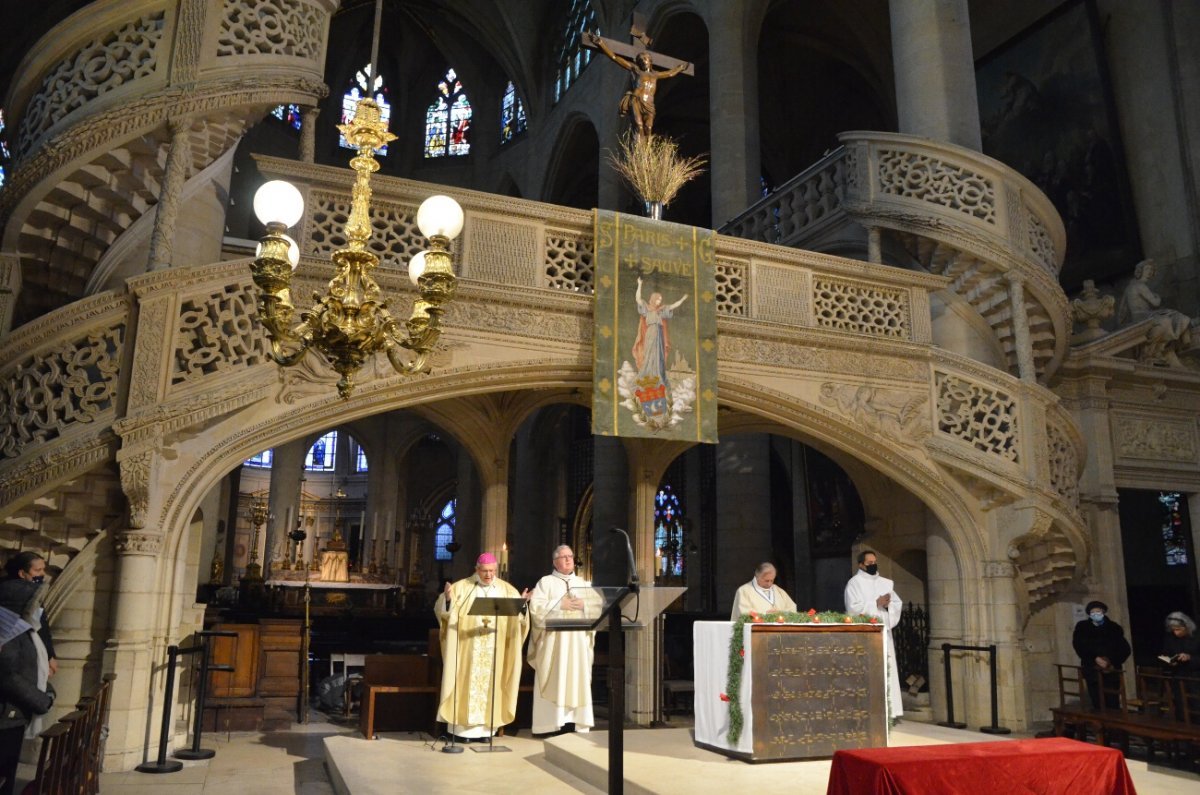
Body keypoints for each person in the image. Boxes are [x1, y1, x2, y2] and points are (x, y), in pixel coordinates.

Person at [434, 553, 530, 740]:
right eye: (485, 571)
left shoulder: (507, 590)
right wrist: (447, 600)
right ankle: (461, 731)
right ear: (476, 569)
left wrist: (522, 606)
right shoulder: (462, 588)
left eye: (492, 571)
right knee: (466, 685)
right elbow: (443, 612)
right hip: (467, 648)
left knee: (491, 686)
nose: (489, 575)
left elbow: (519, 621)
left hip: (495, 649)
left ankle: (487, 731)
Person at [528, 545, 599, 735]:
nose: (568, 560)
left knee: (577, 678)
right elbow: (535, 609)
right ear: (554, 562)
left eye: (570, 556)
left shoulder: (584, 583)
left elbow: (598, 608)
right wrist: (560, 604)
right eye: (563, 557)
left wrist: (585, 605)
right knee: (556, 677)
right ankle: (551, 724)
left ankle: (576, 722)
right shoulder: (546, 582)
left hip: (577, 643)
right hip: (554, 643)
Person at [0, 578, 55, 795]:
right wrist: (42, 700)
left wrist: (47, 689)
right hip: (6, 715)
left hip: (13, 715)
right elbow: (8, 676)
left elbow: (29, 668)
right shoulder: (8, 634)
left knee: (7, 775)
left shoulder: (21, 631)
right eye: (32, 603)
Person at [586, 31, 690, 139]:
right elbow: (615, 58)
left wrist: (680, 68)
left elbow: (670, 73)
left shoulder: (655, 74)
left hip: (649, 103)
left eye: (645, 59)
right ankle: (638, 150)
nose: (643, 61)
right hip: (636, 99)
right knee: (639, 126)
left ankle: (646, 151)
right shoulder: (636, 70)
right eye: (641, 60)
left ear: (650, 62)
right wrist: (601, 43)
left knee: (648, 128)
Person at [844, 550, 903, 720]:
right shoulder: (854, 583)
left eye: (874, 562)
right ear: (861, 564)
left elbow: (897, 603)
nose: (873, 565)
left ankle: (891, 711)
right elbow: (853, 608)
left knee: (888, 668)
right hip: (866, 635)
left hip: (884, 632)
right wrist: (875, 603)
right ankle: (870, 711)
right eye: (869, 563)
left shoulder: (885, 583)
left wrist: (888, 606)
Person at [1117, 259, 1196, 367]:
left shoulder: (1129, 287)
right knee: (1170, 317)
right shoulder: (1140, 286)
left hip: (1142, 315)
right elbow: (1156, 303)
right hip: (1142, 315)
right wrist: (1157, 296)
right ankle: (1182, 339)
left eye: (1151, 269)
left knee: (1171, 316)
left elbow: (1122, 311)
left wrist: (1120, 325)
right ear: (1140, 271)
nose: (1149, 272)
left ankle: (1169, 345)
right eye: (1147, 269)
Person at [1071, 600, 1131, 709]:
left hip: (1111, 670)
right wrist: (1095, 658)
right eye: (1092, 612)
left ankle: (1113, 724)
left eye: (1098, 612)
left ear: (1103, 612)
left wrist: (1110, 660)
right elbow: (1080, 645)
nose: (1095, 614)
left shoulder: (1114, 628)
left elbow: (1124, 649)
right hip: (1092, 669)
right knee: (1097, 700)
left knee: (1113, 702)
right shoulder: (1083, 627)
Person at [4, 553, 56, 678]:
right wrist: (49, 656)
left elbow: (42, 624)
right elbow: (38, 625)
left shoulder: (30, 592)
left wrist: (50, 655)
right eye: (38, 570)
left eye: (43, 569)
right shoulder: (18, 595)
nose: (43, 574)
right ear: (22, 574)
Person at [632, 276, 687, 391]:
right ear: (653, 299)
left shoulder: (661, 311)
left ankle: (658, 376)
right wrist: (639, 285)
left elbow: (672, 306)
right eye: (658, 299)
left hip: (659, 335)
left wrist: (682, 300)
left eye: (660, 300)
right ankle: (648, 376)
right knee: (650, 354)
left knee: (659, 356)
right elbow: (638, 299)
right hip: (650, 334)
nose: (659, 301)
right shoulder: (647, 308)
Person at [731, 562, 797, 620]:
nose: (769, 584)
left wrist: (780, 613)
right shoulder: (744, 591)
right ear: (757, 577)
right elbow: (743, 613)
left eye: (772, 580)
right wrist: (765, 614)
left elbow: (792, 608)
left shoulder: (778, 590)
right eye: (766, 580)